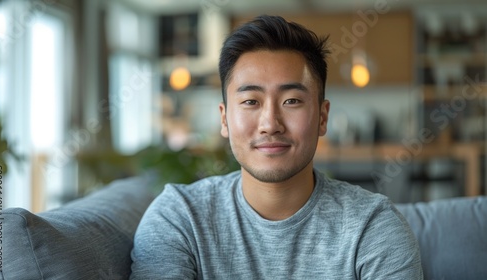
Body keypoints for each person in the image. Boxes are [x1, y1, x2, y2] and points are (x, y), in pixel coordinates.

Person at [130, 15, 423, 279]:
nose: (270, 124)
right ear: (224, 118)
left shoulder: (372, 227)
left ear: (322, 117)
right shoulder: (179, 218)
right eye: (251, 102)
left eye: (291, 101)